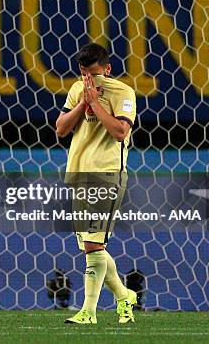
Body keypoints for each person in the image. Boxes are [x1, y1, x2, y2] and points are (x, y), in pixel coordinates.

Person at [55, 43, 137, 324]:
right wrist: (82, 102)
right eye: (84, 74)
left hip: (107, 174)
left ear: (107, 69)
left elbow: (120, 131)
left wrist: (96, 104)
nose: (89, 81)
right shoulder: (78, 90)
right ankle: (124, 295)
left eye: (94, 75)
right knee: (93, 246)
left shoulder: (123, 92)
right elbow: (61, 129)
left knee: (92, 245)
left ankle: (88, 311)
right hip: (78, 173)